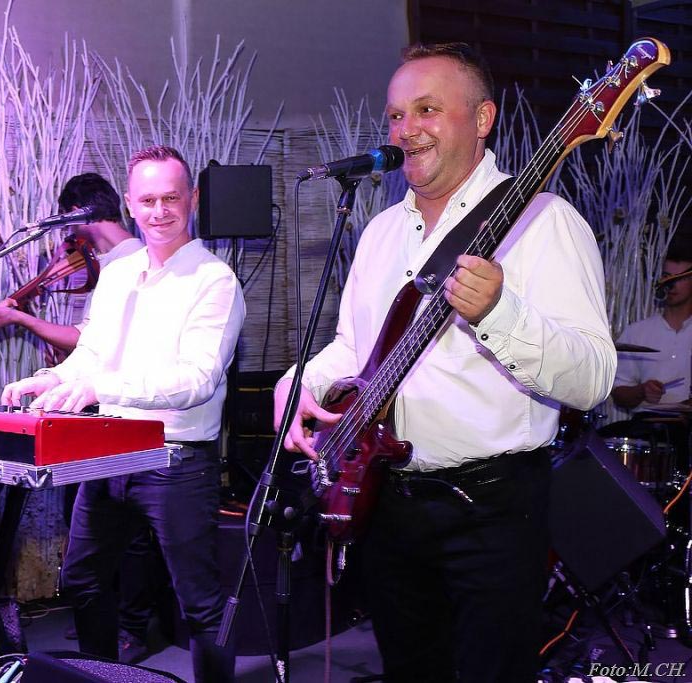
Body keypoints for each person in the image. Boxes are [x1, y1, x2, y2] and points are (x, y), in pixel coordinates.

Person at [273, 43, 616, 682]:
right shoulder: (380, 232)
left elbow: (594, 378)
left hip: (491, 510)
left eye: (427, 109)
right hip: (388, 501)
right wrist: (298, 385)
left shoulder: (545, 222)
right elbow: (354, 349)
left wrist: (499, 314)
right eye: (396, 115)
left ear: (482, 119)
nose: (406, 129)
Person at [2, 145, 245, 682]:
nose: (160, 211)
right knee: (83, 580)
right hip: (109, 453)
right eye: (148, 200)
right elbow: (92, 352)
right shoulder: (119, 274)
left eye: (171, 198)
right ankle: (103, 678)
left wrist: (97, 386)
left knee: (200, 605)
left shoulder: (214, 280)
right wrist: (52, 379)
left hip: (176, 460)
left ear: (192, 199)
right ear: (129, 206)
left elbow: (196, 381)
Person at [0, 172, 142, 353]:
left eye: (67, 222)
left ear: (75, 214)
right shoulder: (115, 258)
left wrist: (18, 318)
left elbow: (86, 339)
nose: (69, 231)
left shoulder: (130, 261)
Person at [612, 240, 692, 411]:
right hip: (648, 425)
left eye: (680, 278)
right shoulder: (637, 332)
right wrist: (642, 391)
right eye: (667, 276)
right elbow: (619, 393)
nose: (671, 283)